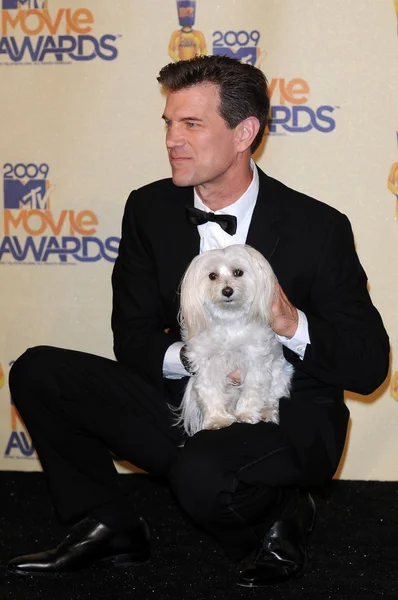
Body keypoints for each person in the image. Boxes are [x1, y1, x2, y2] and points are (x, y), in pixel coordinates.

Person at [7, 55, 389, 588]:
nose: (172, 140)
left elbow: (370, 366)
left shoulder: (318, 227)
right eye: (169, 123)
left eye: (192, 124)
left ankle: (283, 513)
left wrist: (288, 321)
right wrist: (200, 359)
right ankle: (107, 522)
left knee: (202, 476)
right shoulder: (149, 209)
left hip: (284, 414)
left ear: (244, 133)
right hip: (192, 395)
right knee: (37, 371)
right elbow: (132, 335)